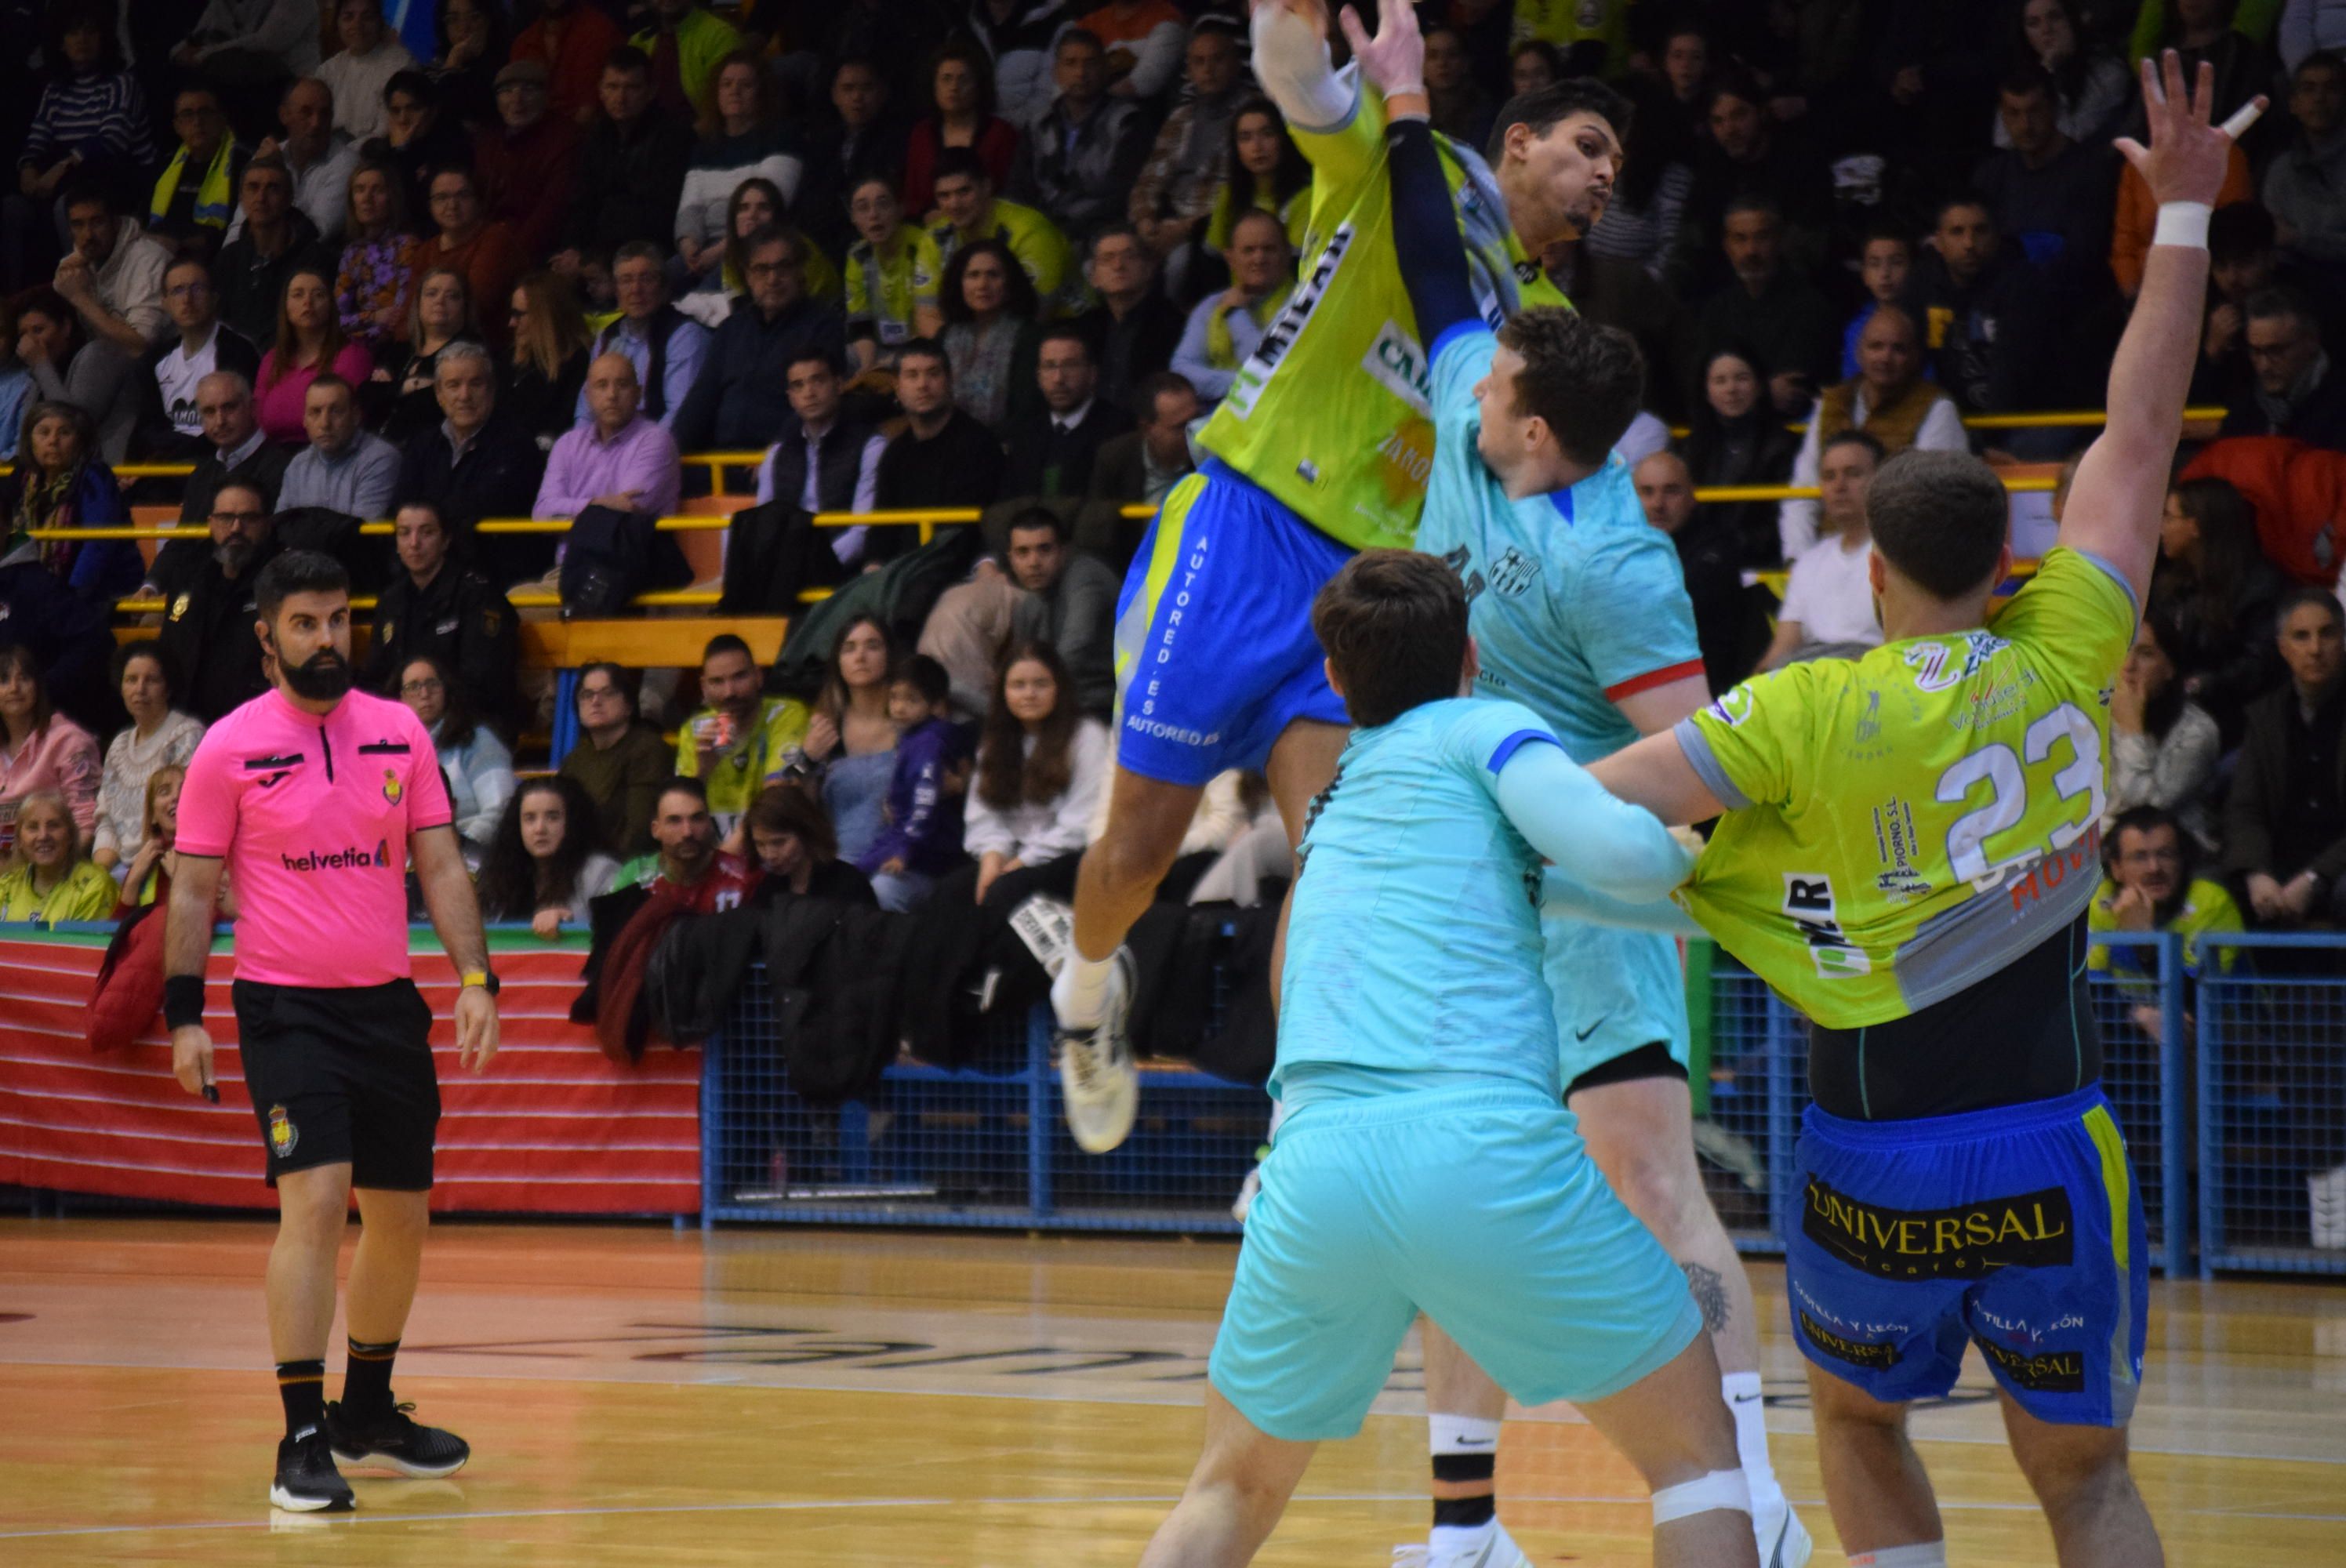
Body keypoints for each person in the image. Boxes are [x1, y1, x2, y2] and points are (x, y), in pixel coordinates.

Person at [1576, 56, 2246, 1568]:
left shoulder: (1807, 703)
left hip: (1869, 1151)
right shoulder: (2070, 641)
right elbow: (2136, 436)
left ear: (1868, 575)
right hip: (2047, 1137)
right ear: (2010, 561)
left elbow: (1604, 799)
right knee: (2084, 1480)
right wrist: (2185, 215)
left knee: (1861, 1425)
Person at [1050, 1, 1612, 1148]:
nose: (1607, 176)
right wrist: (1289, 20)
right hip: (1247, 527)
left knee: (1341, 859)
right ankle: (1084, 989)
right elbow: (1296, 79)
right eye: (1589, 147)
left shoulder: (1548, 327)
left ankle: (1297, 1120)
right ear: (1517, 141)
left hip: (1366, 592)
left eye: (1617, 165)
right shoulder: (1417, 167)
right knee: (1139, 849)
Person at [1373, 61, 1801, 1563]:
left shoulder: (1611, 560)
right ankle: (1462, 1533)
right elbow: (1433, 263)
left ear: (1540, 436)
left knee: (1655, 1189)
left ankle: (1752, 1493)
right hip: (1478, 908)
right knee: (1460, 1205)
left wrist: (1532, 805)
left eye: (1496, 388)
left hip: (1593, 901)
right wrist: (1406, 107)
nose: (1470, 382)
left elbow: (1691, 758)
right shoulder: (1466, 404)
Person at [1135, 550, 1749, 1568]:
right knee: (1697, 1461)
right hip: (1477, 1148)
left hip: (1313, 1169)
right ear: (1473, 653)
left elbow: (1545, 889)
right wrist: (1728, 872)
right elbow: (1627, 858)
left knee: (1229, 1490)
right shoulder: (1488, 729)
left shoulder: (1335, 803)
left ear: (1336, 678)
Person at [165, 547, 496, 1514]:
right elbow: (191, 887)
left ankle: (366, 1409)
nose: (326, 639)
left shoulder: (399, 731)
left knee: (399, 1213)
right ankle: (301, 1437)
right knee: (314, 1201)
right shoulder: (228, 746)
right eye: (305, 623)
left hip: (387, 1005)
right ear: (268, 636)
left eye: (339, 618)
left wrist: (477, 976)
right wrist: (185, 1014)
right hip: (285, 1007)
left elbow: (437, 863)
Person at [1778, 307, 1966, 561]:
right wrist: (1802, 563)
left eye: (1898, 349)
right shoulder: (1831, 403)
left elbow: (1933, 502)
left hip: (1898, 561)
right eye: (1876, 346)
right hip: (1825, 556)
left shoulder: (1937, 408)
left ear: (1915, 357)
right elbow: (1803, 493)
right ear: (1859, 352)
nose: (1885, 358)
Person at [2223, 588, 2346, 925]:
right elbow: (2246, 809)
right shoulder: (2266, 717)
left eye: (2327, 634)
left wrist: (2315, 878)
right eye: (2301, 637)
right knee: (2219, 893)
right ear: (2282, 648)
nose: (2315, 649)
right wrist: (2255, 872)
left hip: (2338, 868)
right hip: (2282, 860)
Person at [670, 229, 848, 453]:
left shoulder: (822, 326)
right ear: (747, 275)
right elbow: (701, 399)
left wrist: (779, 450)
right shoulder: (731, 329)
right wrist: (669, 451)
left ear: (800, 271)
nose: (773, 279)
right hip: (721, 460)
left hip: (788, 457)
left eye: (783, 267)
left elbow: (821, 404)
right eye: (762, 269)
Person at [966, 640, 1109, 905]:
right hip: (1010, 853)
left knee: (1005, 892)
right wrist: (992, 857)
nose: (1029, 694)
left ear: (1059, 689)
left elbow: (1082, 821)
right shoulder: (994, 741)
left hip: (1068, 859)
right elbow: (982, 815)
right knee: (951, 893)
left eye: (1041, 684)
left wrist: (1022, 862)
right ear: (1003, 692)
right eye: (1018, 685)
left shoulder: (1087, 736)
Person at [2149, 476, 2284, 745]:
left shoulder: (2260, 587)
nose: (2161, 527)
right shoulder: (2169, 584)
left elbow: (2259, 667)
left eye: (2169, 516)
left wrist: (2202, 685)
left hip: (2236, 727)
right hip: (2174, 717)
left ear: (2195, 525)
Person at [364, 501, 518, 724]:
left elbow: (485, 680)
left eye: (427, 533)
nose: (414, 543)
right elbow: (376, 676)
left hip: (467, 724)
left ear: (446, 540)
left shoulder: (477, 596)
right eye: (404, 533)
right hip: (404, 724)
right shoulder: (391, 600)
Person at [1898, 194, 2049, 419]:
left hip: (2030, 418)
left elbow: (2010, 369)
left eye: (1980, 231)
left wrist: (1989, 437)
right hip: (1955, 418)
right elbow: (1906, 357)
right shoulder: (1921, 283)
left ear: (1996, 237)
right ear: (1938, 242)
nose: (1969, 244)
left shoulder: (2022, 283)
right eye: (1957, 232)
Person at [393, 341, 543, 564]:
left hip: (493, 577)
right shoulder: (421, 445)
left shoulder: (518, 446)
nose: (464, 395)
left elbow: (487, 505)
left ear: (492, 389)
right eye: (454, 385)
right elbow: (400, 506)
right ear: (439, 393)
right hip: (426, 574)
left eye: (475, 384)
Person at [1693, 196, 1839, 417]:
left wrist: (1734, 391)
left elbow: (1791, 393)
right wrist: (1765, 390)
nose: (1751, 250)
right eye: (1740, 239)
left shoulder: (1810, 307)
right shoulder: (1715, 310)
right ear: (1726, 245)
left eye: (1761, 238)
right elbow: (1700, 386)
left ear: (1779, 240)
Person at [1972, 64, 2121, 280]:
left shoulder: (2091, 173)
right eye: (2014, 114)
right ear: (2003, 117)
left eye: (2034, 111)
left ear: (2055, 109)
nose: (2025, 125)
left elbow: (2085, 260)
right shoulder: (1990, 176)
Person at [1635, 450, 1764, 696]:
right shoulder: (1618, 549)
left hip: (1704, 695)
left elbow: (1669, 610)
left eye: (1671, 491)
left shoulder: (1718, 550)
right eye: (1647, 492)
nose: (1658, 504)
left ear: (1691, 496)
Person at [556, 48, 695, 265]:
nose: (620, 97)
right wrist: (573, 248)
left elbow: (662, 212)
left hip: (651, 251)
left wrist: (593, 254)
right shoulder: (598, 135)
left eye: (632, 88)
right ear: (601, 91)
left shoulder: (673, 136)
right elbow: (583, 201)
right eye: (613, 87)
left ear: (650, 91)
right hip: (598, 250)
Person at [1128, 20, 1253, 263]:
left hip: (1219, 225)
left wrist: (1187, 228)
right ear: (1190, 70)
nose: (1209, 69)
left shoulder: (1253, 114)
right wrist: (1146, 222)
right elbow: (1148, 182)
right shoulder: (1180, 117)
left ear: (1236, 63)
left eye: (1218, 59)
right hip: (1167, 221)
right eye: (1199, 62)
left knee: (1180, 263)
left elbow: (1247, 190)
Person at [1760, 430, 1886, 670]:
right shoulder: (1810, 562)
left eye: (1853, 474)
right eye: (1829, 476)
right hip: (1810, 676)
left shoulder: (1902, 556)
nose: (1839, 486)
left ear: (1880, 479)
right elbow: (1783, 648)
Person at [158, 480, 281, 722]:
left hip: (257, 721)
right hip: (187, 724)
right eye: (226, 518)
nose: (236, 528)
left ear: (266, 524)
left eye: (248, 518)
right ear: (211, 523)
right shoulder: (188, 574)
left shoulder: (283, 578)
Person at [674, 52, 804, 278]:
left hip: (753, 249)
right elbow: (690, 208)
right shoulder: (704, 149)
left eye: (745, 85)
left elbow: (767, 209)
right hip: (703, 251)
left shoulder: (782, 138)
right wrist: (689, 246)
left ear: (762, 93)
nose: (734, 91)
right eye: (727, 84)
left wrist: (716, 253)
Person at [859, 654, 971, 911]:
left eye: (912, 699)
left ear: (934, 705)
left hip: (927, 853)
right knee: (850, 878)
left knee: (865, 887)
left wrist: (905, 851)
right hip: (906, 839)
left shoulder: (929, 742)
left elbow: (925, 803)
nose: (899, 707)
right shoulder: (913, 737)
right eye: (895, 697)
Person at [1011, 30, 1150, 236]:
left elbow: (1122, 194)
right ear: (1056, 72)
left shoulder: (1127, 122)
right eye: (1071, 63)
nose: (1081, 73)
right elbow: (1018, 189)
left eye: (1090, 63)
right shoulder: (1038, 124)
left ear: (1105, 68)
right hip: (1041, 233)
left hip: (1102, 233)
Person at [789, 615, 900, 866]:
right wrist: (806, 759)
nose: (860, 657)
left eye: (872, 646)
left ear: (890, 655)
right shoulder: (824, 724)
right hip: (837, 860)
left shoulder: (911, 723)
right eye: (849, 649)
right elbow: (795, 803)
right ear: (838, 662)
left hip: (896, 861)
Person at [2, 400, 141, 601]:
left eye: (64, 433)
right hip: (36, 589)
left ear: (80, 441)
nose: (53, 441)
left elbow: (98, 547)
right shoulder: (23, 475)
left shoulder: (95, 477)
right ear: (29, 440)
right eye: (44, 432)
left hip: (91, 589)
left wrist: (69, 596)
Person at [676, 633, 810, 835]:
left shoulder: (785, 715)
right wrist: (703, 772)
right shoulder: (694, 730)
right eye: (717, 682)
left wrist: (731, 855)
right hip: (710, 850)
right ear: (704, 686)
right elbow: (679, 815)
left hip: (768, 844)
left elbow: (778, 796)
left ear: (758, 676)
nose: (729, 692)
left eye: (739, 677)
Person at [2108, 615, 2223, 848]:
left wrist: (2132, 731)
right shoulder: (2091, 718)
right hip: (2101, 856)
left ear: (2170, 668)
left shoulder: (2196, 731)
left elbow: (2143, 814)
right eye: (2122, 649)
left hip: (2174, 856)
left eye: (2146, 654)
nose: (2129, 666)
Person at [91, 642, 206, 874]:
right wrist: (99, 876)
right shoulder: (119, 745)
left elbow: (186, 816)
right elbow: (107, 821)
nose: (140, 689)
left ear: (168, 688)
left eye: (151, 680)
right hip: (120, 866)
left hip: (168, 863)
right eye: (131, 680)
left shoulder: (186, 735)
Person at [1680, 344, 1799, 566]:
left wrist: (1725, 549)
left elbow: (1784, 519)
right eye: (1720, 381)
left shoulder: (1785, 445)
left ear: (1760, 386)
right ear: (1706, 391)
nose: (1731, 389)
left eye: (1741, 378)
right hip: (1698, 563)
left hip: (1761, 565)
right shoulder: (1690, 447)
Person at [532, 352, 683, 524]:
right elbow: (542, 512)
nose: (612, 395)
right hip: (572, 552)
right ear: (587, 395)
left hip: (630, 551)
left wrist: (569, 511)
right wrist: (600, 504)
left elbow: (628, 512)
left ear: (638, 393)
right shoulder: (567, 444)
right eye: (602, 385)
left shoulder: (656, 441)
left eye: (622, 384)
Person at [926, 147, 1077, 318]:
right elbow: (927, 315)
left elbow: (1033, 315)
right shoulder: (936, 235)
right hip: (982, 334)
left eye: (964, 191)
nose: (954, 205)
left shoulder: (1031, 230)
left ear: (987, 187)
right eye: (944, 196)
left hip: (1071, 326)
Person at [1171, 210, 1295, 408]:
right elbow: (1181, 369)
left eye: (1269, 249)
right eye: (1249, 250)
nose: (1259, 258)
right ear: (1230, 258)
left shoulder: (1304, 303)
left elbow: (1266, 367)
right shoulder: (1211, 305)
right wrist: (1241, 382)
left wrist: (1236, 315)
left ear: (1287, 253)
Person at [1003, 507, 1117, 717]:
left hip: (1107, 704)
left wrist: (1034, 686)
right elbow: (1021, 661)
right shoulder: (1029, 604)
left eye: (1044, 549)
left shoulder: (1086, 576)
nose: (1034, 562)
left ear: (1063, 552)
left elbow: (1077, 643)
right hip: (1062, 703)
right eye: (1023, 552)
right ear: (1011, 559)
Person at [397, 653, 512, 861]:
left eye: (432, 684)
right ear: (401, 698)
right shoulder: (390, 750)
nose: (424, 693)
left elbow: (502, 807)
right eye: (413, 686)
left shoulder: (477, 740)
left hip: (475, 858)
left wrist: (459, 848)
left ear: (446, 690)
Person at [581, 242, 706, 430]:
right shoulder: (607, 337)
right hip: (609, 452)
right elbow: (586, 412)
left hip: (655, 452)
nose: (636, 289)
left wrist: (634, 454)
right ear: (616, 290)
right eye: (626, 280)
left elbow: (679, 416)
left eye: (647, 279)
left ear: (664, 286)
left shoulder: (684, 335)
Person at [215, 158, 333, 356]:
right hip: (234, 365)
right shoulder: (228, 259)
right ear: (241, 198)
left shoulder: (316, 259)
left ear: (289, 199)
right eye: (253, 188)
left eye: (272, 189)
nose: (261, 197)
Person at [797, 56, 912, 260]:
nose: (858, 97)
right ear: (835, 95)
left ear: (882, 93)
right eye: (848, 89)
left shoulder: (899, 138)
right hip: (824, 244)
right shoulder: (821, 143)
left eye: (866, 88)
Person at [873, 338, 1005, 512]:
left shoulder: (978, 445)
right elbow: (882, 528)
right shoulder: (895, 454)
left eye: (933, 373)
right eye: (912, 375)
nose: (923, 385)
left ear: (950, 380)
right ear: (898, 388)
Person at [474, 775, 617, 936]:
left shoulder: (600, 872)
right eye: (530, 819)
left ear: (573, 822)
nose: (540, 829)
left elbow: (615, 938)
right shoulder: (500, 877)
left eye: (552, 817)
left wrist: (570, 923)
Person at [1001, 325, 1132, 497]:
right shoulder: (1025, 434)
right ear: (1039, 377)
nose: (1058, 379)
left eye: (1070, 366)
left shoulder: (1119, 430)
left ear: (1092, 374)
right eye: (1049, 367)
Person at [14, 286, 140, 466]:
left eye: (38, 330)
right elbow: (27, 436)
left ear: (66, 327)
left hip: (102, 476)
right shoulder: (41, 375)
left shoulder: (99, 354)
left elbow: (74, 425)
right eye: (23, 335)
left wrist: (41, 365)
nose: (30, 342)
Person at [560, 662, 669, 858]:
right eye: (587, 695)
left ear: (628, 705)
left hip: (628, 868)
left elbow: (639, 830)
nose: (595, 701)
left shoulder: (648, 749)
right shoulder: (573, 760)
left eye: (607, 693)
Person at [56, 180, 174, 361]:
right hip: (110, 365)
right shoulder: (82, 260)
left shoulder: (148, 259)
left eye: (97, 223)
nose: (88, 235)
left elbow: (141, 346)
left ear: (116, 222)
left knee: (91, 355)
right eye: (78, 225)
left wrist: (80, 298)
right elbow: (60, 283)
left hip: (157, 366)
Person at [903, 39, 1022, 220]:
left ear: (978, 85)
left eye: (963, 79)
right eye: (946, 79)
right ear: (934, 85)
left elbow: (1011, 194)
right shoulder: (921, 134)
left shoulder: (1001, 134)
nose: (954, 87)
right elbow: (912, 197)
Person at [474, 60, 580, 261]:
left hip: (539, 251)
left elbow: (552, 208)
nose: (517, 100)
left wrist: (513, 253)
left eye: (528, 90)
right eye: (507, 91)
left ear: (546, 96)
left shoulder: (564, 137)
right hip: (488, 243)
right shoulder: (488, 138)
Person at [234, 78, 361, 248]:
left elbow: (315, 233)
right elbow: (238, 225)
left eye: (324, 114)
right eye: (306, 113)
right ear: (284, 116)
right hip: (254, 258)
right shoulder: (267, 156)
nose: (316, 123)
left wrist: (280, 174)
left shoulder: (346, 164)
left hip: (308, 266)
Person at [1072, 224, 1183, 415]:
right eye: (1108, 259)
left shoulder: (1171, 323)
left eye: (1129, 256)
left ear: (1149, 268)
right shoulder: (1083, 328)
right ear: (1094, 277)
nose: (1118, 266)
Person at [2217, 285, 2346, 448]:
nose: (2264, 366)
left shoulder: (2340, 405)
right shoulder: (2244, 409)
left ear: (2311, 341)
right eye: (2256, 351)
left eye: (2276, 351)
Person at [257, 269, 375, 444]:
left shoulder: (352, 357)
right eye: (298, 295)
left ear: (331, 305)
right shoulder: (271, 360)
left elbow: (357, 422)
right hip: (274, 460)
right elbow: (257, 419)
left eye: (318, 295)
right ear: (285, 307)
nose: (308, 302)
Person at [610, 775, 762, 910]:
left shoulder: (744, 877)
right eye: (674, 821)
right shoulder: (635, 877)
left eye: (697, 819)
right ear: (656, 830)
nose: (687, 832)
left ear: (710, 823)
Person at [938, 237, 1044, 431]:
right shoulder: (945, 335)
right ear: (959, 283)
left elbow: (1026, 411)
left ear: (1010, 282)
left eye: (993, 275)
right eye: (973, 275)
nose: (982, 285)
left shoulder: (1029, 337)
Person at [0, 644, 100, 848]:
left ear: (38, 685)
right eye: (3, 680)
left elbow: (86, 824)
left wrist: (54, 875)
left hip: (53, 867)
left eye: (24, 679)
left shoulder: (69, 741)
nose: (14, 688)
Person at [843, 177, 947, 368]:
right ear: (853, 217)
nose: (874, 215)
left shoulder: (923, 246)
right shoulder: (858, 256)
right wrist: (867, 372)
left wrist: (891, 364)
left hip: (926, 347)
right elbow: (861, 327)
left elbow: (933, 322)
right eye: (863, 208)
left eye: (883, 204)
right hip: (879, 350)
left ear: (901, 208)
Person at [2003, 0, 2133, 148]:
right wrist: (2044, 72)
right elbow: (2003, 139)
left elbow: (2072, 138)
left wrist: (2051, 75)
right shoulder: (2023, 70)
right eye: (2034, 23)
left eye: (2055, 17)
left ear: (2072, 19)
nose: (2046, 29)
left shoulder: (2109, 71)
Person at [418, 168, 522, 350]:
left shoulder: (495, 239)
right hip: (431, 345)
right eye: (442, 197)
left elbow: (475, 303)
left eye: (463, 195)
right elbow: (409, 310)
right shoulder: (425, 250)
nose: (452, 205)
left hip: (485, 349)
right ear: (430, 206)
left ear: (478, 201)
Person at [373, 266, 478, 444]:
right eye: (431, 293)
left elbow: (430, 407)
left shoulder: (468, 355)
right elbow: (366, 397)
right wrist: (407, 387)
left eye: (452, 296)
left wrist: (389, 390)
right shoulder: (399, 350)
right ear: (418, 302)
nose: (440, 301)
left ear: (464, 307)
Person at [335, 159, 427, 358]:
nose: (367, 198)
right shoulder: (352, 251)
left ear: (392, 197)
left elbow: (399, 315)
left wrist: (364, 325)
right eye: (360, 190)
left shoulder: (407, 246)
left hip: (395, 347)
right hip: (356, 345)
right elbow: (336, 316)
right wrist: (373, 317)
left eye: (377, 190)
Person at [2264, 52, 2346, 267]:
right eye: (2308, 89)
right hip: (2295, 285)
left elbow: (2287, 238)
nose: (2319, 98)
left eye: (2331, 88)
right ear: (2293, 104)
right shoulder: (2280, 172)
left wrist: (2299, 239)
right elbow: (2275, 244)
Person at [278, 375, 401, 518]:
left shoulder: (381, 459)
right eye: (316, 412)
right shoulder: (298, 466)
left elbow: (363, 532)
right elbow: (281, 527)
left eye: (336, 411)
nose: (325, 423)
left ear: (356, 416)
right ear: (304, 420)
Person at [147, 85, 249, 252]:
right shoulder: (163, 167)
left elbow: (243, 231)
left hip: (218, 258)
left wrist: (185, 245)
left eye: (205, 112)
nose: (197, 122)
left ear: (221, 119)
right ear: (177, 126)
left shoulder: (244, 165)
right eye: (188, 115)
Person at [503, 270, 595, 450]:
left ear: (545, 316)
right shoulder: (507, 360)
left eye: (518, 314)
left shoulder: (579, 364)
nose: (511, 323)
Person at [743, 782, 874, 906]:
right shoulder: (766, 890)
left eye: (779, 842)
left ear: (806, 832)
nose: (769, 855)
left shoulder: (848, 884)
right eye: (760, 844)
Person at [0, 787, 113, 921]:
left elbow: (79, 942)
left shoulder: (94, 885)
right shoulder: (6, 886)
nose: (43, 836)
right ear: (20, 840)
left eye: (53, 826)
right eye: (33, 827)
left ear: (70, 835)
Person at [1089, 371, 1197, 508]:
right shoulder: (1114, 458)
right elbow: (1098, 519)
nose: (1195, 432)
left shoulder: (1212, 455)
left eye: (1197, 419)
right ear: (1147, 429)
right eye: (1181, 427)